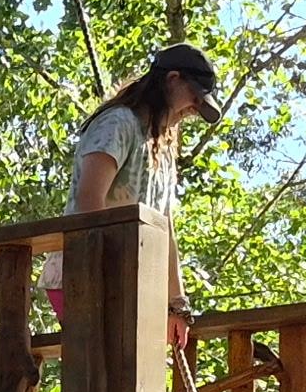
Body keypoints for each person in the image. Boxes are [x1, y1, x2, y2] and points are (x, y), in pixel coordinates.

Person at [65, 43, 226, 339]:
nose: (194, 109)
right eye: (194, 97)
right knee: (101, 377)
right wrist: (110, 277)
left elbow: (165, 229)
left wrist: (177, 306)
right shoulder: (118, 123)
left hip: (132, 282)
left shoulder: (162, 149)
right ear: (172, 79)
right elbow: (88, 203)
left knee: (128, 380)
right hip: (87, 274)